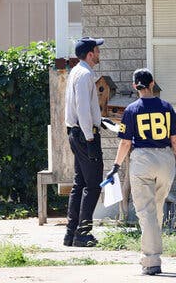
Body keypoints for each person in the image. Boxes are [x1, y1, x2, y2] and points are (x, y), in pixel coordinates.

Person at [106, 68, 176, 276]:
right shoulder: (167, 107)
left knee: (145, 211)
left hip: (142, 159)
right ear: (152, 83)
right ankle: (153, 253)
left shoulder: (131, 110)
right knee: (157, 208)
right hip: (165, 159)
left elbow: (126, 143)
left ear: (136, 86)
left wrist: (115, 167)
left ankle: (151, 260)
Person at [63, 36, 105, 247]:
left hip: (76, 132)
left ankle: (71, 233)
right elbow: (82, 109)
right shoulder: (86, 74)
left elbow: (84, 108)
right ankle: (83, 233)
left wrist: (99, 121)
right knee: (93, 184)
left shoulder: (76, 72)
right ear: (90, 54)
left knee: (79, 184)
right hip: (84, 135)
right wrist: (90, 137)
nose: (99, 54)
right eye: (97, 51)